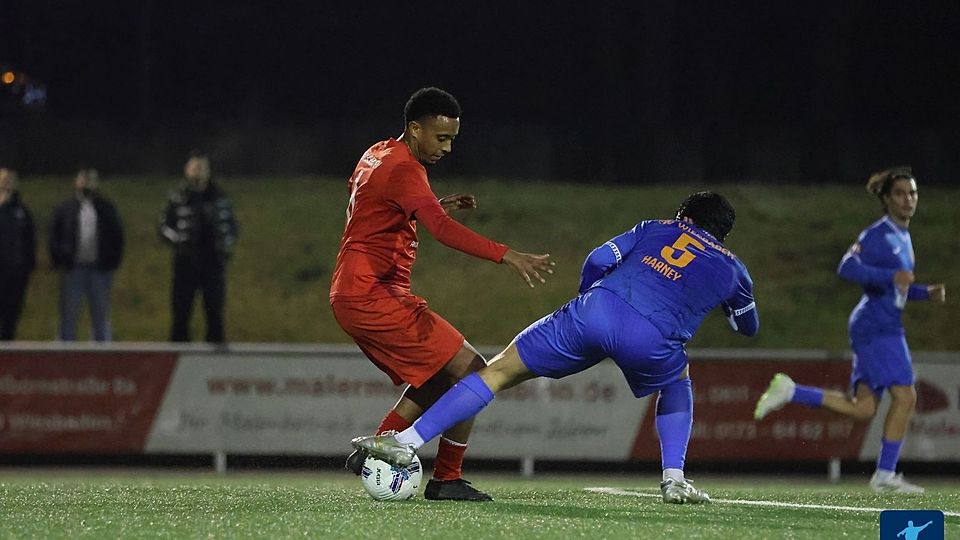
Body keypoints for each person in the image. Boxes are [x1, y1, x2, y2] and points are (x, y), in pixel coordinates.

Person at [351, 191, 759, 504]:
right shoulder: (734, 268)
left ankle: (403, 442)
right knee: (677, 381)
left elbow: (599, 259)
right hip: (653, 339)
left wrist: (589, 301)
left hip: (592, 312)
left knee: (495, 372)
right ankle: (673, 479)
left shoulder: (655, 227)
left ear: (684, 216)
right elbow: (747, 326)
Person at [331, 87, 554, 502]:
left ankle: (379, 444)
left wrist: (431, 204)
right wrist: (507, 255)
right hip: (373, 293)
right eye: (441, 137)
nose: (447, 148)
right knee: (474, 372)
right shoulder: (406, 170)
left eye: (452, 138)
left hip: (354, 291)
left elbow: (373, 206)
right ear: (415, 129)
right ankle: (447, 478)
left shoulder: (378, 152)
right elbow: (443, 232)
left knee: (441, 376)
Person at [754, 167, 946, 494]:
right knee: (906, 395)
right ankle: (885, 475)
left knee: (864, 408)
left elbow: (896, 287)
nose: (908, 199)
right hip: (877, 327)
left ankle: (790, 391)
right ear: (887, 199)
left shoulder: (903, 236)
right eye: (900, 193)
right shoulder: (878, 233)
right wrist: (891, 278)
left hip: (881, 324)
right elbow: (847, 267)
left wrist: (923, 293)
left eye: (912, 193)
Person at [158, 152, 238, 343]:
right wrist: (178, 241)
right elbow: (163, 225)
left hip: (213, 263)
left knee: (215, 313)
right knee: (180, 314)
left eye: (202, 168)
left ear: (208, 171)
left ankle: (215, 361)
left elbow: (232, 226)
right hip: (185, 263)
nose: (198, 173)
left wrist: (225, 246)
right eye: (194, 168)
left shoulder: (219, 196)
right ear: (187, 171)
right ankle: (177, 356)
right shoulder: (177, 197)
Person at [49, 168, 125, 341]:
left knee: (101, 315)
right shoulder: (65, 208)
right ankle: (65, 354)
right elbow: (54, 235)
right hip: (73, 269)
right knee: (68, 314)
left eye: (91, 179)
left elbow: (117, 236)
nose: (87, 183)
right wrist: (60, 259)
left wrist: (112, 261)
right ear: (76, 182)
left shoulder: (106, 208)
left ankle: (101, 355)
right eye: (83, 179)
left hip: (99, 270)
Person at [0, 167, 36, 340]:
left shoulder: (20, 210)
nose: (7, 182)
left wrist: (27, 266)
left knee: (11, 313)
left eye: (10, 179)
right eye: (4, 178)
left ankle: (7, 351)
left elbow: (29, 240)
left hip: (15, 273)